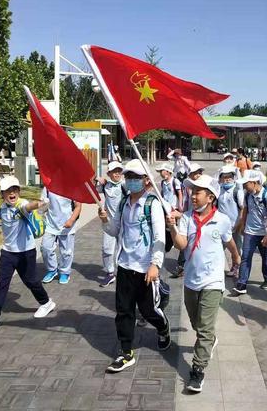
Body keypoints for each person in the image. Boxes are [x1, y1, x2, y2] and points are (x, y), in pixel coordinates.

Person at [167, 175, 240, 393]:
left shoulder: (223, 219)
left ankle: (197, 371)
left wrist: (236, 257)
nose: (193, 195)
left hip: (213, 281)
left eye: (197, 192)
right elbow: (181, 245)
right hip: (191, 280)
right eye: (192, 191)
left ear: (210, 197)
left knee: (204, 329)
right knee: (196, 323)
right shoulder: (187, 217)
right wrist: (172, 227)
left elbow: (228, 240)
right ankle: (209, 339)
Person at [99, 159, 170, 373]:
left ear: (146, 181)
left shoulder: (152, 204)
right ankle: (126, 352)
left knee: (148, 311)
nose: (131, 181)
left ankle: (163, 327)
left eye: (135, 178)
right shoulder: (123, 203)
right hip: (125, 264)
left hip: (146, 268)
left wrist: (155, 264)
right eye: (128, 177)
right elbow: (114, 231)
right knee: (124, 311)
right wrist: (104, 220)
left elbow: (160, 237)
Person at [0, 176, 56, 330]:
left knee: (30, 281)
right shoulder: (1, 205)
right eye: (8, 191)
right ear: (2, 194)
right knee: (1, 284)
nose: (12, 193)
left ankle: (46, 303)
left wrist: (39, 203)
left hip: (26, 252)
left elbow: (29, 207)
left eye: (15, 190)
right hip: (7, 253)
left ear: (18, 191)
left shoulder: (21, 204)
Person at [233, 170, 267, 295]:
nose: (244, 186)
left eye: (246, 184)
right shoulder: (248, 195)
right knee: (245, 257)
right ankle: (242, 284)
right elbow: (245, 210)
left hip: (264, 233)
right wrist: (242, 225)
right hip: (250, 232)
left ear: (254, 182)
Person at [40, 188, 82, 285]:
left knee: (66, 252)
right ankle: (52, 270)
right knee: (45, 248)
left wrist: (71, 220)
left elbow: (78, 206)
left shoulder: (73, 186)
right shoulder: (47, 187)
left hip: (67, 226)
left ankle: (64, 272)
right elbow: (43, 204)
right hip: (50, 224)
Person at [97, 162, 126, 287]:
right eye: (114, 171)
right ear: (109, 173)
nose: (118, 174)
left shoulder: (125, 186)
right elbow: (91, 190)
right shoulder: (105, 186)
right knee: (107, 249)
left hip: (124, 223)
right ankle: (110, 273)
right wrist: (95, 179)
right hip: (108, 223)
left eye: (119, 171)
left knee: (123, 249)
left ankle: (124, 272)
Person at [217, 165, 244, 278]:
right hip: (221, 227)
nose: (227, 179)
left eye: (229, 177)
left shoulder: (237, 190)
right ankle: (217, 269)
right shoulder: (219, 190)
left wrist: (239, 224)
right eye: (224, 177)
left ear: (233, 177)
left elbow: (242, 208)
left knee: (236, 249)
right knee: (218, 248)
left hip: (235, 226)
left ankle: (237, 268)